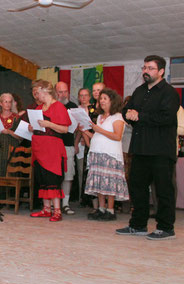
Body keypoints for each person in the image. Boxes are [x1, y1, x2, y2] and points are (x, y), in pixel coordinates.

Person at [117, 55, 180, 240]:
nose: (146, 71)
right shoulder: (139, 90)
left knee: (163, 190)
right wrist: (129, 114)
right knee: (137, 188)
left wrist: (140, 116)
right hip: (140, 148)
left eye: (150, 68)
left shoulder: (169, 93)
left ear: (161, 71)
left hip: (161, 150)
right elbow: (126, 110)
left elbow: (166, 117)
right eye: (144, 68)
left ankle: (166, 228)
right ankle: (138, 225)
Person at [80, 88, 129, 221]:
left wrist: (98, 129)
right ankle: (101, 209)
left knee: (110, 183)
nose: (101, 101)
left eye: (105, 98)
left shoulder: (117, 117)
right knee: (100, 183)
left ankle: (110, 210)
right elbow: (96, 135)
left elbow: (117, 136)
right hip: (97, 153)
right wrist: (84, 131)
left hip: (110, 155)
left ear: (112, 101)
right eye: (100, 98)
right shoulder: (100, 117)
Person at [29, 80, 71, 222]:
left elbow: (65, 129)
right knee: (42, 178)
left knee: (52, 178)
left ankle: (57, 211)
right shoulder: (38, 108)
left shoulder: (58, 106)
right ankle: (46, 209)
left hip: (52, 148)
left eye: (37, 92)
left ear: (45, 90)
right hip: (39, 147)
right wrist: (31, 127)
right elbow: (36, 126)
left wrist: (49, 124)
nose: (36, 95)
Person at [55, 81, 78, 215]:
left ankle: (65, 203)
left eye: (65, 92)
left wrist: (76, 144)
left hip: (68, 144)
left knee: (68, 174)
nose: (63, 95)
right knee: (55, 175)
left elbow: (78, 128)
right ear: (55, 93)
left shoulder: (73, 106)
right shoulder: (53, 106)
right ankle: (55, 202)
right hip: (54, 145)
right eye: (60, 92)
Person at [0, 93, 21, 178]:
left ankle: (12, 191)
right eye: (5, 102)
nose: (8, 104)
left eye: (10, 102)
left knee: (11, 173)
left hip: (12, 149)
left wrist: (9, 132)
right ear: (1, 103)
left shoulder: (16, 118)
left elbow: (21, 137)